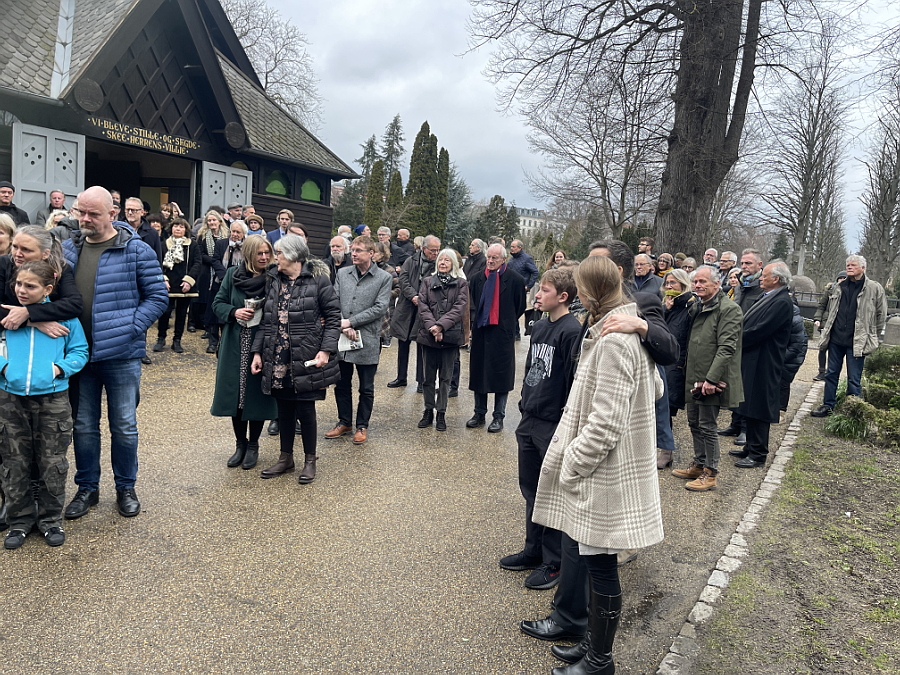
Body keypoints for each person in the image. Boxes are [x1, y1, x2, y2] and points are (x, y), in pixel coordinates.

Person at [531, 254, 664, 675]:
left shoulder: (615, 340)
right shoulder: (623, 329)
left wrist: (573, 462)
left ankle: (600, 660)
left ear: (589, 292)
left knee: (602, 568)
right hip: (605, 468)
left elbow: (606, 424)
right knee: (595, 563)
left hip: (603, 471)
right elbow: (655, 387)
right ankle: (590, 644)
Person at [62, 186, 168, 520]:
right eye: (80, 212)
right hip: (79, 354)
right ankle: (87, 488)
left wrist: (130, 328)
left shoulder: (135, 249)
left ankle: (125, 487)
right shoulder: (68, 248)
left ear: (113, 213)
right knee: (83, 425)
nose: (84, 219)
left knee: (123, 426)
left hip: (122, 354)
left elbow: (157, 297)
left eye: (92, 214)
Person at [500, 266, 581, 592]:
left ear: (563, 296)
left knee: (551, 494)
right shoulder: (540, 325)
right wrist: (524, 403)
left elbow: (573, 382)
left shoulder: (571, 330)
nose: (537, 295)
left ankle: (554, 561)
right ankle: (533, 550)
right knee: (531, 489)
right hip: (530, 418)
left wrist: (564, 423)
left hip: (552, 423)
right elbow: (533, 369)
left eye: (544, 291)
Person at [0, 261, 88, 550]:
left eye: (30, 286)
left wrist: (58, 369)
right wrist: (4, 368)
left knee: (52, 462)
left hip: (53, 399)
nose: (21, 290)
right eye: (18, 284)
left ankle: (51, 520)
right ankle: (19, 520)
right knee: (15, 462)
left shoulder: (66, 318)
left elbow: (79, 350)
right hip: (10, 400)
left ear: (48, 289)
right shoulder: (8, 316)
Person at [250, 235, 341, 484]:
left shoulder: (319, 280)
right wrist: (258, 352)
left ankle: (310, 460)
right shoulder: (274, 280)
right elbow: (266, 320)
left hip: (306, 354)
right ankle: (285, 458)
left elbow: (334, 317)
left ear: (292, 255)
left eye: (278, 253)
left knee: (305, 409)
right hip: (277, 355)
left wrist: (326, 350)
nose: (274, 257)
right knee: (284, 409)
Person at [671, 266, 743, 491]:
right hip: (694, 375)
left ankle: (711, 472)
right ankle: (699, 463)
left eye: (703, 281)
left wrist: (711, 379)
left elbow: (726, 348)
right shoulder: (697, 306)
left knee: (707, 425)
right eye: (695, 282)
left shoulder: (729, 309)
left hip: (712, 379)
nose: (698, 285)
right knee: (694, 422)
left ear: (716, 284)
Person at [211, 235, 277, 471]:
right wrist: (234, 311)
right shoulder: (232, 275)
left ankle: (254, 445)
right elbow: (217, 303)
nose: (264, 257)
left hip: (261, 343)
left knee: (257, 395)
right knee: (236, 396)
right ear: (249, 254)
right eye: (259, 253)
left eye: (267, 253)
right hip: (235, 342)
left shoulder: (273, 278)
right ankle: (240, 444)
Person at [325, 236, 392, 445]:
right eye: (352, 250)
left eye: (358, 250)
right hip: (343, 337)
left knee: (366, 387)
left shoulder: (384, 277)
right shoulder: (343, 273)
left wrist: (352, 322)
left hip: (368, 337)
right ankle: (344, 422)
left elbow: (380, 307)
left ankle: (362, 425)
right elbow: (333, 300)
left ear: (371, 253)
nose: (353, 254)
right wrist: (343, 325)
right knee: (341, 383)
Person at [730, 262, 794, 469]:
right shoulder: (768, 296)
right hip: (753, 358)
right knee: (749, 403)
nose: (760, 278)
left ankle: (758, 453)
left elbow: (761, 330)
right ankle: (750, 446)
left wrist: (736, 339)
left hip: (765, 360)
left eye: (764, 275)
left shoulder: (782, 301)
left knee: (759, 405)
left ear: (776, 279)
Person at [812, 255, 887, 418]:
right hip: (836, 340)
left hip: (857, 341)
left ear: (863, 268)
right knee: (831, 374)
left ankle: (852, 412)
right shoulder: (838, 287)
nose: (849, 267)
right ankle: (828, 406)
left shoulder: (874, 288)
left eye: (853, 265)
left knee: (854, 378)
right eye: (848, 265)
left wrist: (873, 336)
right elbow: (830, 310)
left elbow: (881, 314)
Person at [467, 243, 526, 432]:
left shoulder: (515, 280)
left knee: (502, 376)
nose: (490, 261)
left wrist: (506, 321)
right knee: (479, 374)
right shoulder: (477, 279)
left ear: (503, 259)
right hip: (481, 332)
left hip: (502, 334)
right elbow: (473, 302)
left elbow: (520, 306)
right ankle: (479, 413)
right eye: (489, 257)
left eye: (495, 258)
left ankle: (498, 416)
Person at [415, 249, 469, 431]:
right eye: (440, 259)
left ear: (453, 263)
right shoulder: (427, 281)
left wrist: (440, 326)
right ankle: (428, 410)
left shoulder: (461, 284)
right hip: (429, 336)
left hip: (450, 336)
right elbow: (423, 306)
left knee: (445, 378)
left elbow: (459, 308)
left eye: (447, 260)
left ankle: (441, 413)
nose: (443, 263)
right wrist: (433, 326)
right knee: (428, 378)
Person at [388, 235, 440, 390]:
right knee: (403, 343)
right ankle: (401, 377)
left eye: (437, 250)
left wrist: (422, 299)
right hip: (406, 308)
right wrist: (413, 296)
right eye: (432, 250)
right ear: (424, 249)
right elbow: (403, 280)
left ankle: (421, 381)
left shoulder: (438, 264)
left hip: (425, 310)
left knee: (422, 345)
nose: (435, 253)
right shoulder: (410, 261)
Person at [660, 268, 695, 469]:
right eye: (667, 283)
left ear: (683, 284)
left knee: (666, 408)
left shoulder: (690, 306)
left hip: (676, 363)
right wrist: (665, 309)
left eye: (673, 283)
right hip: (663, 359)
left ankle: (666, 451)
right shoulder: (667, 305)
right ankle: (662, 448)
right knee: (659, 407)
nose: (669, 286)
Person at [153, 218, 201, 354]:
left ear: (186, 230)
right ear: (171, 228)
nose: (178, 229)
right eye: (175, 226)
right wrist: (163, 279)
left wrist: (189, 281)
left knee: (181, 313)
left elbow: (197, 263)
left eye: (181, 227)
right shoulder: (163, 244)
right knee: (164, 312)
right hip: (167, 284)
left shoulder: (192, 245)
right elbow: (157, 262)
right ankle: (161, 338)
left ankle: (177, 340)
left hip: (185, 284)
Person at [194, 210, 227, 353]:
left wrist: (218, 264)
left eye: (214, 220)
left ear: (219, 221)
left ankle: (223, 341)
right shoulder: (202, 236)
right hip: (207, 272)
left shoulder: (226, 236)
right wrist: (214, 260)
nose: (212, 222)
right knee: (210, 306)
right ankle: (212, 338)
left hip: (223, 273)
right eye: (209, 220)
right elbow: (200, 254)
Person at [812, 271, 847, 381]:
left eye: (844, 278)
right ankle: (821, 371)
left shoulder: (848, 292)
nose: (842, 280)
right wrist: (818, 319)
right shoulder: (830, 290)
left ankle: (831, 372)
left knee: (834, 350)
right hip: (826, 324)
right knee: (823, 348)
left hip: (838, 325)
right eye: (840, 278)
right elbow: (821, 306)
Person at [508, 240, 539, 339]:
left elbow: (535, 272)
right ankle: (514, 332)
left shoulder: (526, 259)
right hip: (510, 288)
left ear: (520, 248)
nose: (511, 248)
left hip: (520, 289)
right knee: (510, 310)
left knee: (516, 310)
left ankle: (516, 333)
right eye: (511, 247)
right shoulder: (511, 260)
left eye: (513, 247)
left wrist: (529, 285)